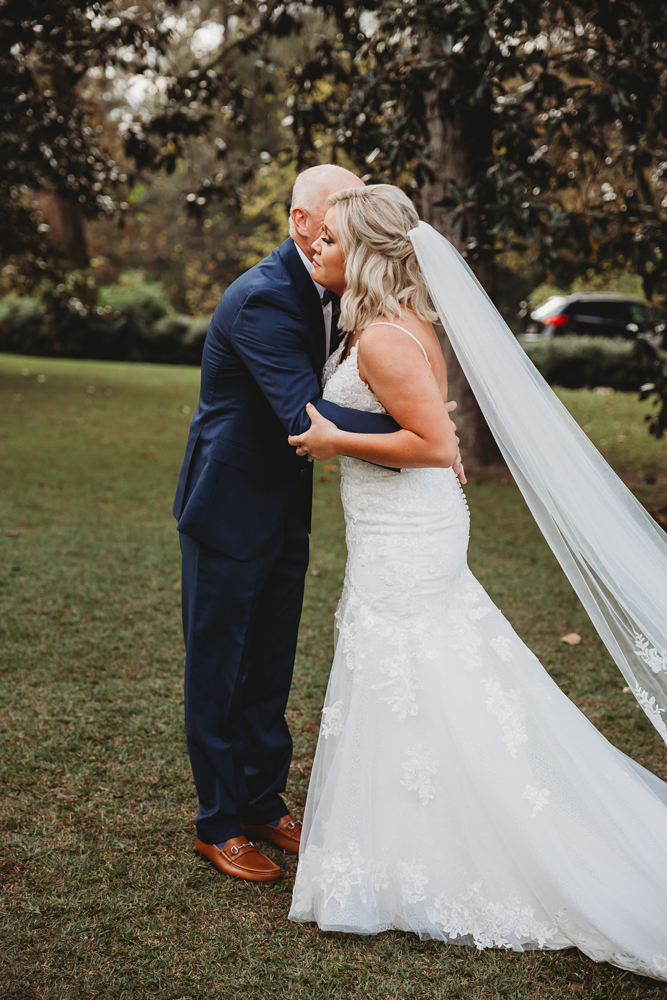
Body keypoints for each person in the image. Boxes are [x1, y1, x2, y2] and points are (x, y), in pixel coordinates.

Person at [287, 184, 667, 981]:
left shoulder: (386, 340)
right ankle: (411, 836)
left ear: (366, 251)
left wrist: (331, 441)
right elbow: (437, 431)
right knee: (416, 676)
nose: (318, 248)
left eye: (331, 239)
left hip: (406, 529)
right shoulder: (397, 325)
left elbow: (430, 443)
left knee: (417, 669)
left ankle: (455, 850)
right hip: (402, 523)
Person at [173, 166, 419, 883]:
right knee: (220, 667)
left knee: (271, 659)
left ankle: (260, 800)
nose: (342, 232)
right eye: (335, 216)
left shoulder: (332, 290)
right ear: (298, 222)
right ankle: (216, 823)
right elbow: (304, 415)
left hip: (284, 507)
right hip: (227, 506)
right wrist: (417, 431)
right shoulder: (261, 300)